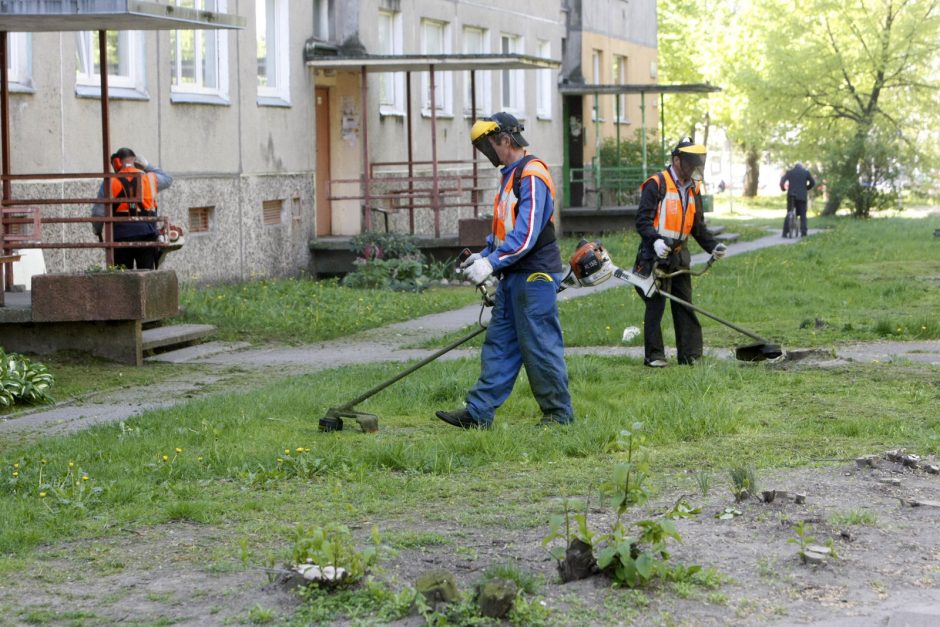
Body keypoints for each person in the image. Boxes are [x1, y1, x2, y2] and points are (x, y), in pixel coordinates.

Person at [435, 112, 573, 429]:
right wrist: (483, 255)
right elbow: (505, 235)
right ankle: (479, 413)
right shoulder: (510, 176)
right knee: (499, 344)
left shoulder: (532, 175)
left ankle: (558, 414)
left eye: (488, 145)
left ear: (505, 140)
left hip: (535, 275)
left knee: (539, 345)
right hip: (514, 274)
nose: (486, 154)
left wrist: (491, 263)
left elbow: (526, 235)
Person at [633, 138, 727, 368]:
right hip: (654, 255)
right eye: (691, 163)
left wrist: (712, 246)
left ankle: (690, 355)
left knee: (685, 304)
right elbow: (642, 220)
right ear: (676, 160)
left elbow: (697, 226)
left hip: (679, 255)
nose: (695, 169)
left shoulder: (693, 188)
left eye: (698, 164)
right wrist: (654, 241)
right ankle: (654, 356)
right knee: (655, 304)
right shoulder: (657, 184)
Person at [92, 147, 173, 270]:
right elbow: (168, 179)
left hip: (120, 238)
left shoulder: (109, 182)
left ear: (117, 163)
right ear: (137, 161)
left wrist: (97, 231)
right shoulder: (150, 178)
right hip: (147, 235)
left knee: (123, 279)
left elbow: (98, 213)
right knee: (146, 276)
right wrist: (147, 165)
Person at [779, 162, 815, 238]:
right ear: (801, 167)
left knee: (789, 212)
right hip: (802, 196)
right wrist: (807, 188)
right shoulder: (806, 172)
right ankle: (804, 233)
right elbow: (812, 182)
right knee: (803, 214)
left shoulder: (790, 172)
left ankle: (785, 233)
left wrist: (783, 188)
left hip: (791, 195)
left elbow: (782, 181)